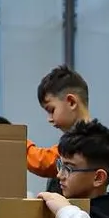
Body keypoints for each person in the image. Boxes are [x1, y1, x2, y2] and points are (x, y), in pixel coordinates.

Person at [28, 66, 93, 195]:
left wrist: (16, 144)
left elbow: (43, 162)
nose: (49, 119)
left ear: (71, 102)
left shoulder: (87, 142)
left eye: (51, 110)